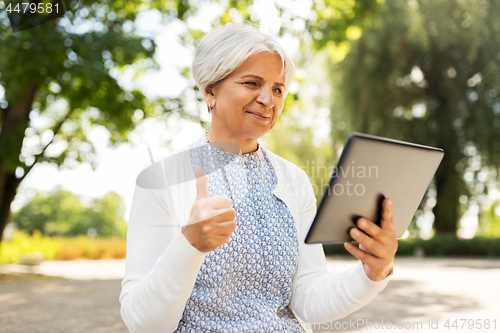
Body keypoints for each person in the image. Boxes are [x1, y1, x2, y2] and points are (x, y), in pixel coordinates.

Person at [119, 23, 398, 333]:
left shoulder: (293, 180)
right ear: (211, 90)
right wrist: (190, 245)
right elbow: (142, 324)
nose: (269, 99)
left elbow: (307, 300)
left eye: (278, 88)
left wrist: (372, 273)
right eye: (252, 83)